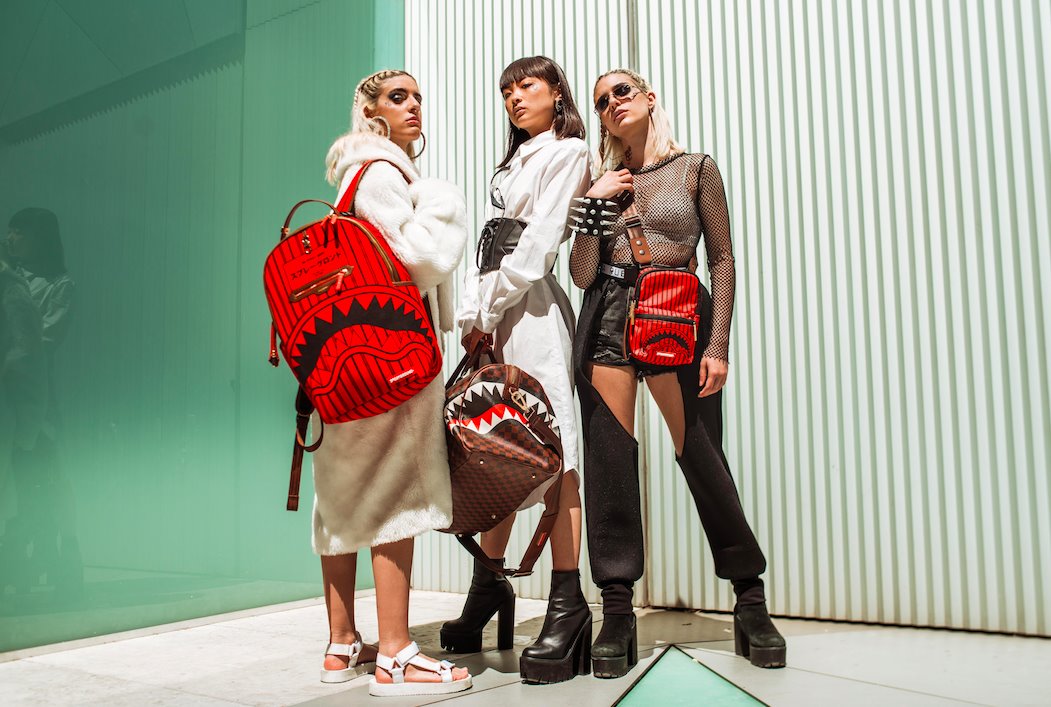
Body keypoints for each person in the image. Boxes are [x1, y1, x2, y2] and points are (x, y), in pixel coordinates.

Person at [569, 69, 787, 677]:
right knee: (610, 461)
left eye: (621, 92)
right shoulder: (601, 181)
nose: (612, 104)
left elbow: (723, 258)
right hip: (608, 314)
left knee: (701, 453)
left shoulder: (695, 168)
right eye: (601, 102)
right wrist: (593, 201)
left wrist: (719, 343)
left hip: (675, 313)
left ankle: (749, 597)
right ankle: (617, 610)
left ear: (648, 98)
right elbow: (582, 273)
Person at [318, 69, 472, 698]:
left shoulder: (350, 178)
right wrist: (442, 203)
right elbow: (419, 260)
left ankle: (341, 644)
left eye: (417, 98)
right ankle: (397, 655)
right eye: (398, 98)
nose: (414, 107)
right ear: (371, 111)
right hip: (392, 363)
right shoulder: (383, 174)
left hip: (341, 360)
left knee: (342, 496)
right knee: (398, 494)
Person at [445, 56, 592, 684]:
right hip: (493, 313)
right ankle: (489, 588)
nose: (514, 97)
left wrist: (486, 308)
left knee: (556, 453)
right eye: (506, 90)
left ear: (556, 91)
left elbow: (538, 245)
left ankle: (568, 600)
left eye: (526, 85)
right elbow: (487, 245)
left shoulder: (570, 152)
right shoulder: (508, 166)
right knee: (493, 448)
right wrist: (473, 314)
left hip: (532, 315)